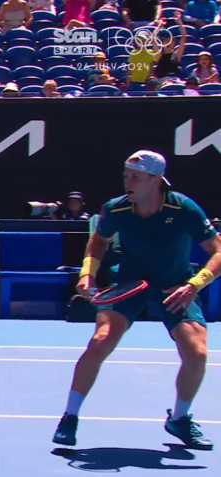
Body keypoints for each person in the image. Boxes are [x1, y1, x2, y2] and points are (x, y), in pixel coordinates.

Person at [53, 150, 220, 450]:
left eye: (135, 177)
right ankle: (70, 417)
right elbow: (98, 242)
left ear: (155, 181)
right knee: (100, 341)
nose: (127, 182)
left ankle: (179, 419)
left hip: (176, 286)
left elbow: (218, 251)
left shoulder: (184, 209)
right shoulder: (115, 209)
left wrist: (195, 285)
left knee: (196, 354)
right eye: (125, 176)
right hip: (129, 283)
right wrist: (86, 275)